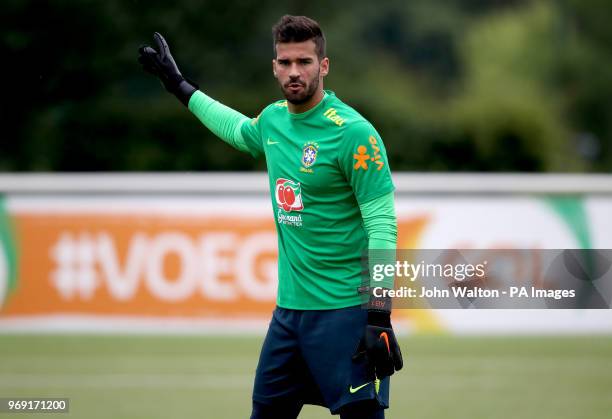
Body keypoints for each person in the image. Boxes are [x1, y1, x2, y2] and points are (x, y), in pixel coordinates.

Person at [138, 15, 402, 419]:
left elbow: (382, 224)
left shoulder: (354, 133)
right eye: (285, 63)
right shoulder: (274, 120)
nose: (294, 72)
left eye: (305, 62)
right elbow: (237, 128)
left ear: (324, 66)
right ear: (275, 66)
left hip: (345, 315)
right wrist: (179, 85)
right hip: (288, 317)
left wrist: (379, 313)